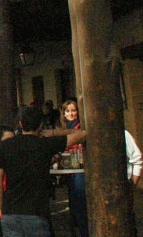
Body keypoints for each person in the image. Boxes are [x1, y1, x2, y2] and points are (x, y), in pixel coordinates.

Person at [0, 105, 88, 237]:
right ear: (40, 125)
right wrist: (52, 133)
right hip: (35, 211)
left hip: (10, 210)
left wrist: (0, 208)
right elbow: (82, 134)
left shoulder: (5, 145)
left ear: (21, 123)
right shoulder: (45, 144)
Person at [61, 99, 87, 237]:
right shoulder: (63, 128)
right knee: (73, 202)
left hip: (79, 168)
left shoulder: (79, 127)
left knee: (80, 201)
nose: (71, 113)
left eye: (73, 110)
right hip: (69, 168)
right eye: (68, 111)